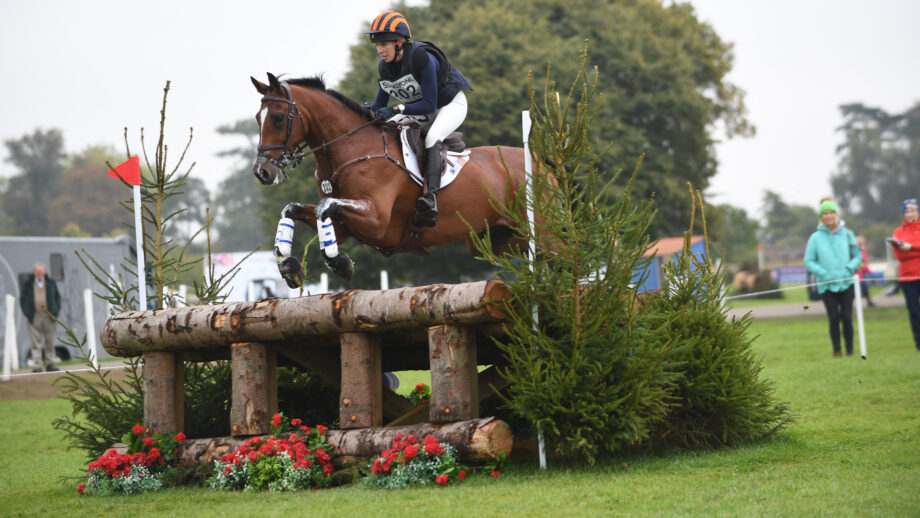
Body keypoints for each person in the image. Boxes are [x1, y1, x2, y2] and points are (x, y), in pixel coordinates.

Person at [366, 10, 472, 227]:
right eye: (377, 45)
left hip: (450, 104)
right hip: (422, 108)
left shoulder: (421, 57)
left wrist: (395, 108)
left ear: (399, 42)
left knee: (433, 137)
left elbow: (430, 104)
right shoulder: (385, 66)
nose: (380, 50)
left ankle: (430, 198)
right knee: (392, 128)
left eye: (384, 44)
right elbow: (378, 105)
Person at [804, 200, 862, 357]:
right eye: (825, 213)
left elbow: (857, 256)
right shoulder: (815, 238)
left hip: (846, 282)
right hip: (826, 285)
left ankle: (850, 351)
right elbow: (808, 261)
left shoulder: (848, 234)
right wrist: (823, 273)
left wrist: (849, 268)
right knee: (834, 317)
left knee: (847, 316)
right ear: (821, 217)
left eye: (831, 212)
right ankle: (837, 350)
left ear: (836, 215)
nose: (829, 216)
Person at [19, 262, 62, 372]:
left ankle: (50, 364)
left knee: (50, 341)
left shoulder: (51, 282)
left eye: (41, 271)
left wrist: (55, 312)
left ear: (44, 272)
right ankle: (37, 365)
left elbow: (58, 297)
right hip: (35, 316)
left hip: (49, 316)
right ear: (34, 272)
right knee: (35, 342)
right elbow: (22, 299)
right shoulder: (28, 284)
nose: (39, 273)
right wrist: (27, 313)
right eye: (37, 271)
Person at [890, 198, 920, 351]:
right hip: (907, 277)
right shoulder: (898, 232)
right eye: (906, 211)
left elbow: (909, 250)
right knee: (915, 312)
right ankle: (919, 343)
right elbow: (899, 255)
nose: (910, 214)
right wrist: (910, 251)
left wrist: (911, 247)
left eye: (913, 210)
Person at [856, 235, 875, 307]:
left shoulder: (861, 250)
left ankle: (868, 301)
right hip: (859, 274)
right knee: (860, 289)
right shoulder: (860, 250)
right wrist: (870, 272)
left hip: (861, 273)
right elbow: (863, 262)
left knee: (864, 289)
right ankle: (867, 302)